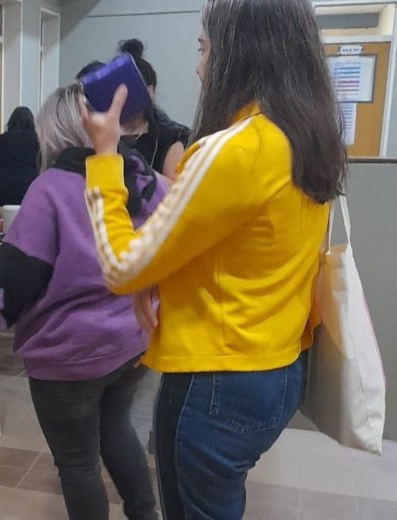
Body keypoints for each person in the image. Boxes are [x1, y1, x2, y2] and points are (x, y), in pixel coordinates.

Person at [81, 0, 346, 518]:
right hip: (279, 368)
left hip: (215, 383)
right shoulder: (307, 140)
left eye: (204, 49)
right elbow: (244, 249)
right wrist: (158, 279)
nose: (199, 67)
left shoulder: (231, 150)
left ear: (239, 53)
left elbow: (119, 266)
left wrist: (105, 158)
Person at [0, 84, 164, 520]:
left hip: (68, 352)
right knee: (116, 429)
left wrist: (0, 314)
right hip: (131, 338)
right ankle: (145, 513)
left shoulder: (50, 189)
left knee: (77, 463)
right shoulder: (142, 178)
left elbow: (17, 278)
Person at [76, 39, 191, 179]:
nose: (121, 95)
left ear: (148, 92)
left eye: (128, 87)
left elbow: (175, 188)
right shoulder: (100, 132)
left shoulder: (170, 137)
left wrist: (135, 167)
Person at [0, 106, 40, 208]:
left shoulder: (2, 139)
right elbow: (43, 164)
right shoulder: (37, 139)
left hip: (4, 192)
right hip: (31, 190)